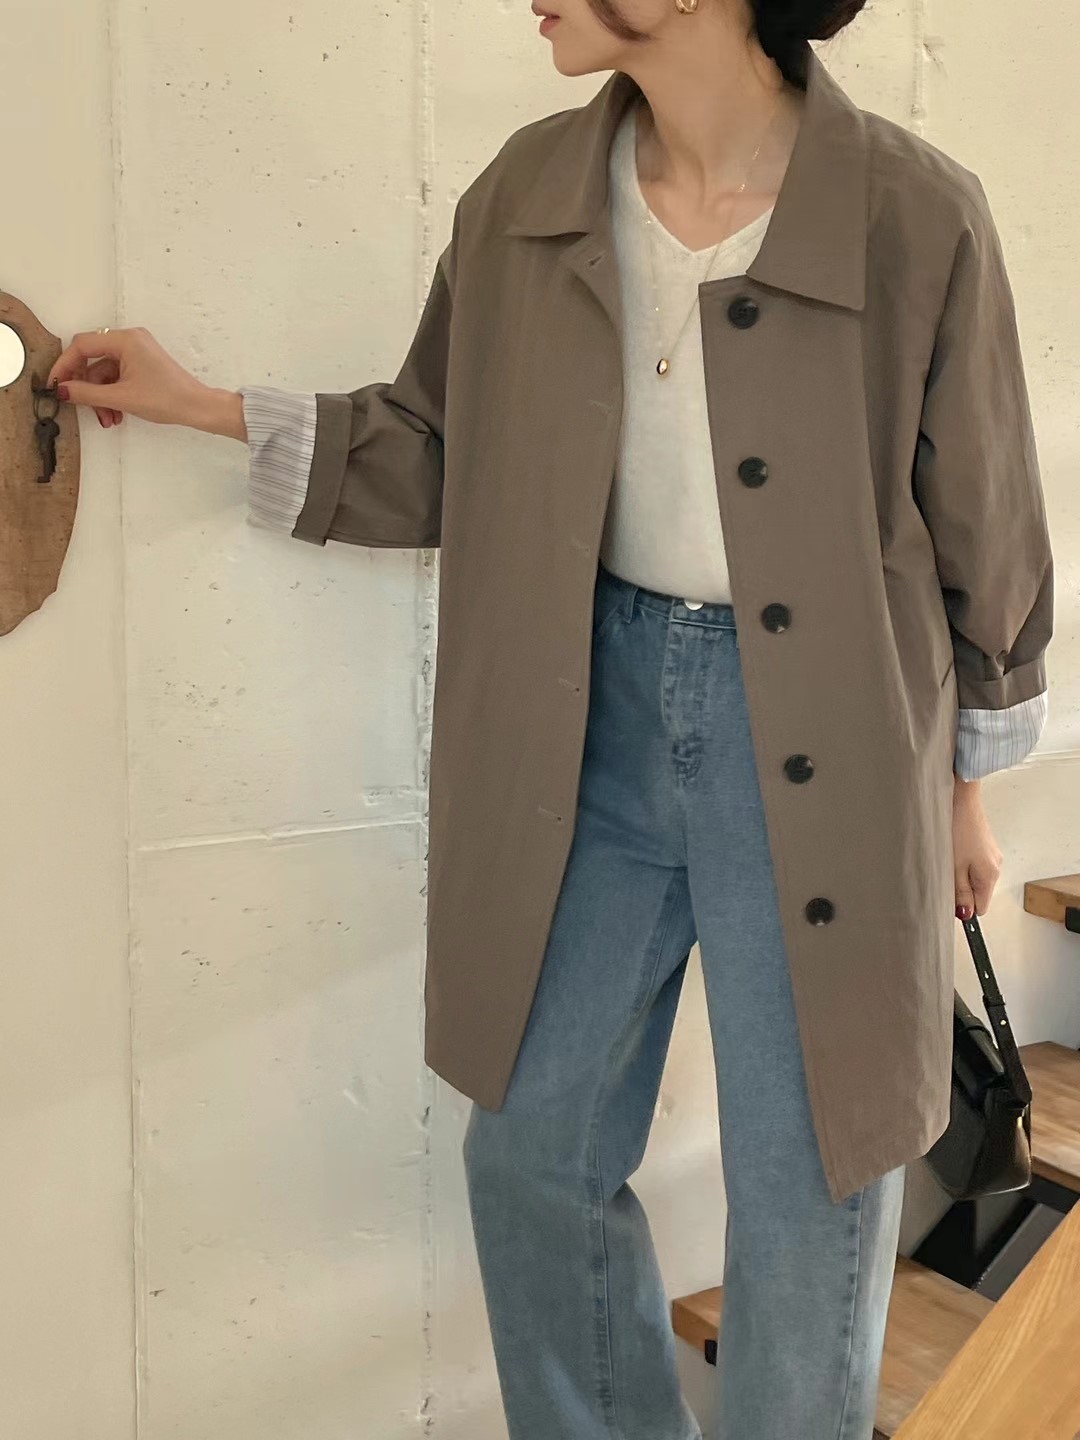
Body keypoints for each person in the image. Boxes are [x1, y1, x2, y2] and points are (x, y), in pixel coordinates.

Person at [48, 2, 1053, 1436]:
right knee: (530, 1155)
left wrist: (963, 793)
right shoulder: (525, 195)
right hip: (584, 729)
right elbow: (435, 444)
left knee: (814, 1181)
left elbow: (985, 521)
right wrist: (204, 405)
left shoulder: (912, 214)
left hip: (835, 748)